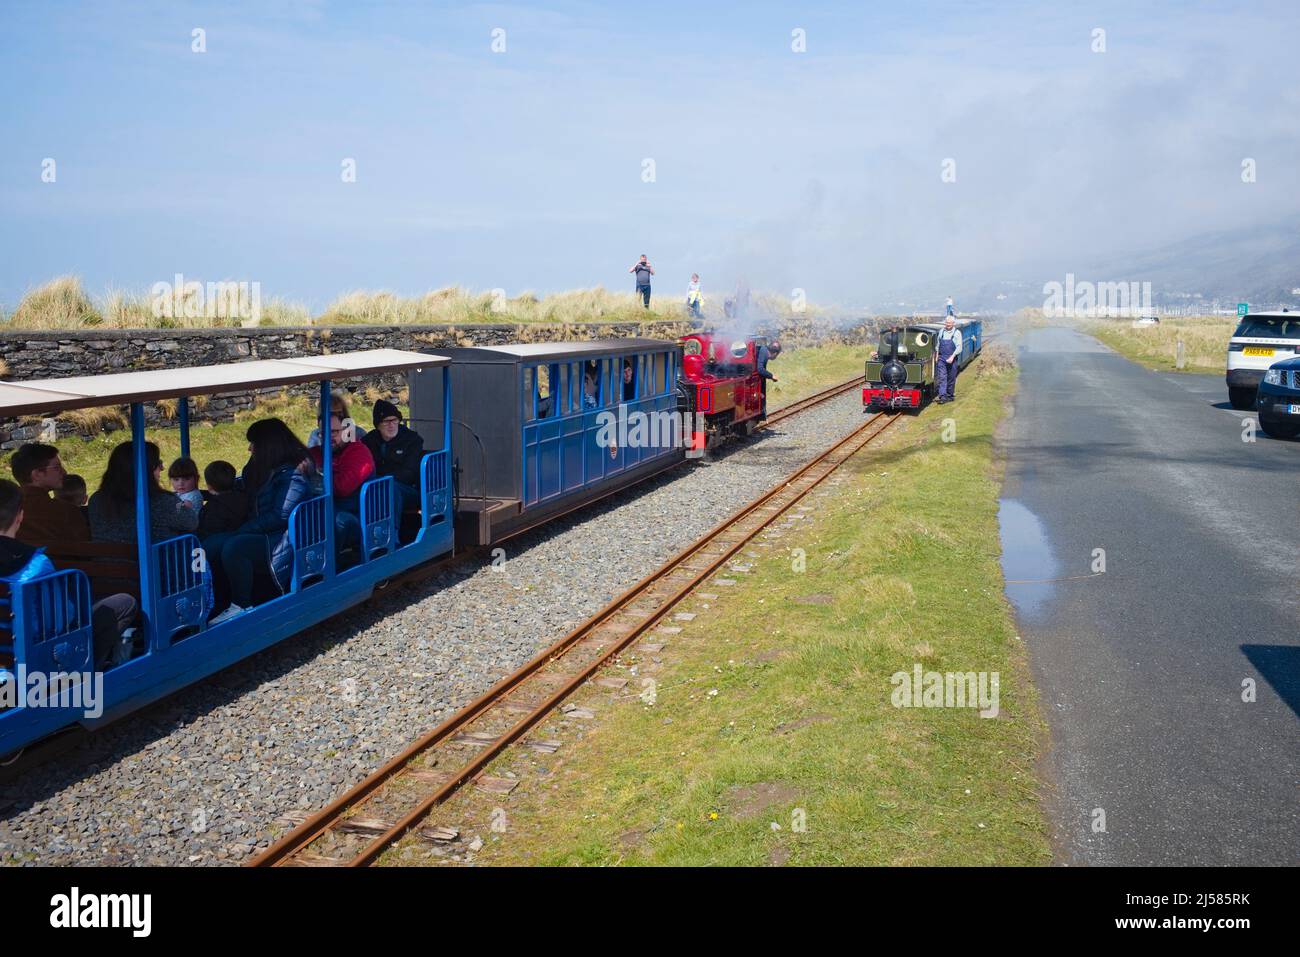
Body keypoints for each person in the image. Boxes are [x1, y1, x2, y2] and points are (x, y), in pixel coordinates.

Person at [0, 479, 138, 669]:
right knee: (123, 603)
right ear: (20, 516)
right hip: (34, 661)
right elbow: (60, 622)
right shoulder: (36, 565)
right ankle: (86, 670)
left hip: (7, 659)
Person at [206, 419, 318, 624]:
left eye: (254, 444)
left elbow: (280, 516)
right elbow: (246, 488)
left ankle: (241, 604)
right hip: (261, 530)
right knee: (211, 545)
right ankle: (216, 602)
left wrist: (244, 529)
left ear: (268, 446)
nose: (249, 448)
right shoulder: (262, 467)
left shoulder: (294, 473)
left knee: (235, 547)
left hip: (282, 537)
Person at [88, 441, 199, 544]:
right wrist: (184, 506)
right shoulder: (162, 501)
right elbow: (191, 522)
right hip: (154, 564)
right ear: (147, 469)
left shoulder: (96, 500)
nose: (162, 468)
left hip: (105, 563)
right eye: (158, 463)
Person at [309, 412, 376, 552]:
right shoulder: (315, 452)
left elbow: (342, 487)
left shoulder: (359, 452)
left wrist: (315, 479)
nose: (328, 438)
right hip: (323, 507)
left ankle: (328, 565)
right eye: (322, 433)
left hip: (356, 514)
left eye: (333, 432)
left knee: (330, 521)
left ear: (347, 430)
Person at [8, 443, 89, 546]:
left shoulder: (7, 512)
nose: (64, 472)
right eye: (57, 468)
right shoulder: (66, 512)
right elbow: (84, 549)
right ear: (37, 474)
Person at [362, 400, 424, 513]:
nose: (391, 425)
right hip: (376, 487)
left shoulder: (412, 440)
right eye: (386, 421)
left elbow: (409, 473)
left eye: (394, 420)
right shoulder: (369, 441)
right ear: (378, 425)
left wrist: (382, 480)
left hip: (408, 489)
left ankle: (391, 530)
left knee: (391, 489)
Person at [198, 460, 249, 538]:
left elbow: (205, 532)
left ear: (209, 486)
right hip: (239, 539)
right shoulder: (244, 498)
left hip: (216, 544)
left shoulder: (211, 508)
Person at [935, 315, 963, 404]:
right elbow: (938, 345)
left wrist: (952, 356)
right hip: (942, 358)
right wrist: (937, 356)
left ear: (953, 323)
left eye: (950, 323)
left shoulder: (957, 333)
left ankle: (950, 395)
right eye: (947, 323)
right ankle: (942, 397)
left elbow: (959, 347)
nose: (948, 324)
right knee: (942, 378)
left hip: (952, 358)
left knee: (951, 378)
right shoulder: (941, 332)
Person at [756, 339, 782, 418]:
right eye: (777, 355)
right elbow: (760, 369)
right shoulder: (764, 353)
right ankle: (760, 413)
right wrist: (771, 376)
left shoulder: (764, 351)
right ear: (774, 353)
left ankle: (761, 414)